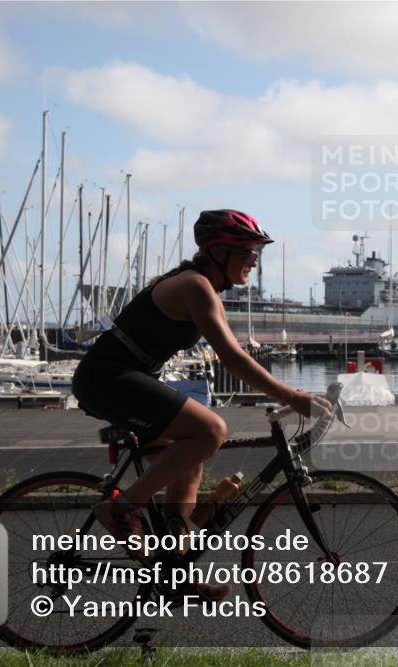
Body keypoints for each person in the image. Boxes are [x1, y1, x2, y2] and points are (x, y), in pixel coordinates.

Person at [71, 209, 331, 574]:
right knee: (211, 431)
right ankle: (122, 509)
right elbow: (232, 358)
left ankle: (176, 571)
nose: (253, 261)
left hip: (121, 377)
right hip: (108, 378)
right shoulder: (194, 286)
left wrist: (290, 392)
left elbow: (235, 354)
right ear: (217, 252)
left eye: (256, 252)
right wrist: (291, 397)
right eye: (246, 252)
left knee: (188, 466)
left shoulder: (200, 286)